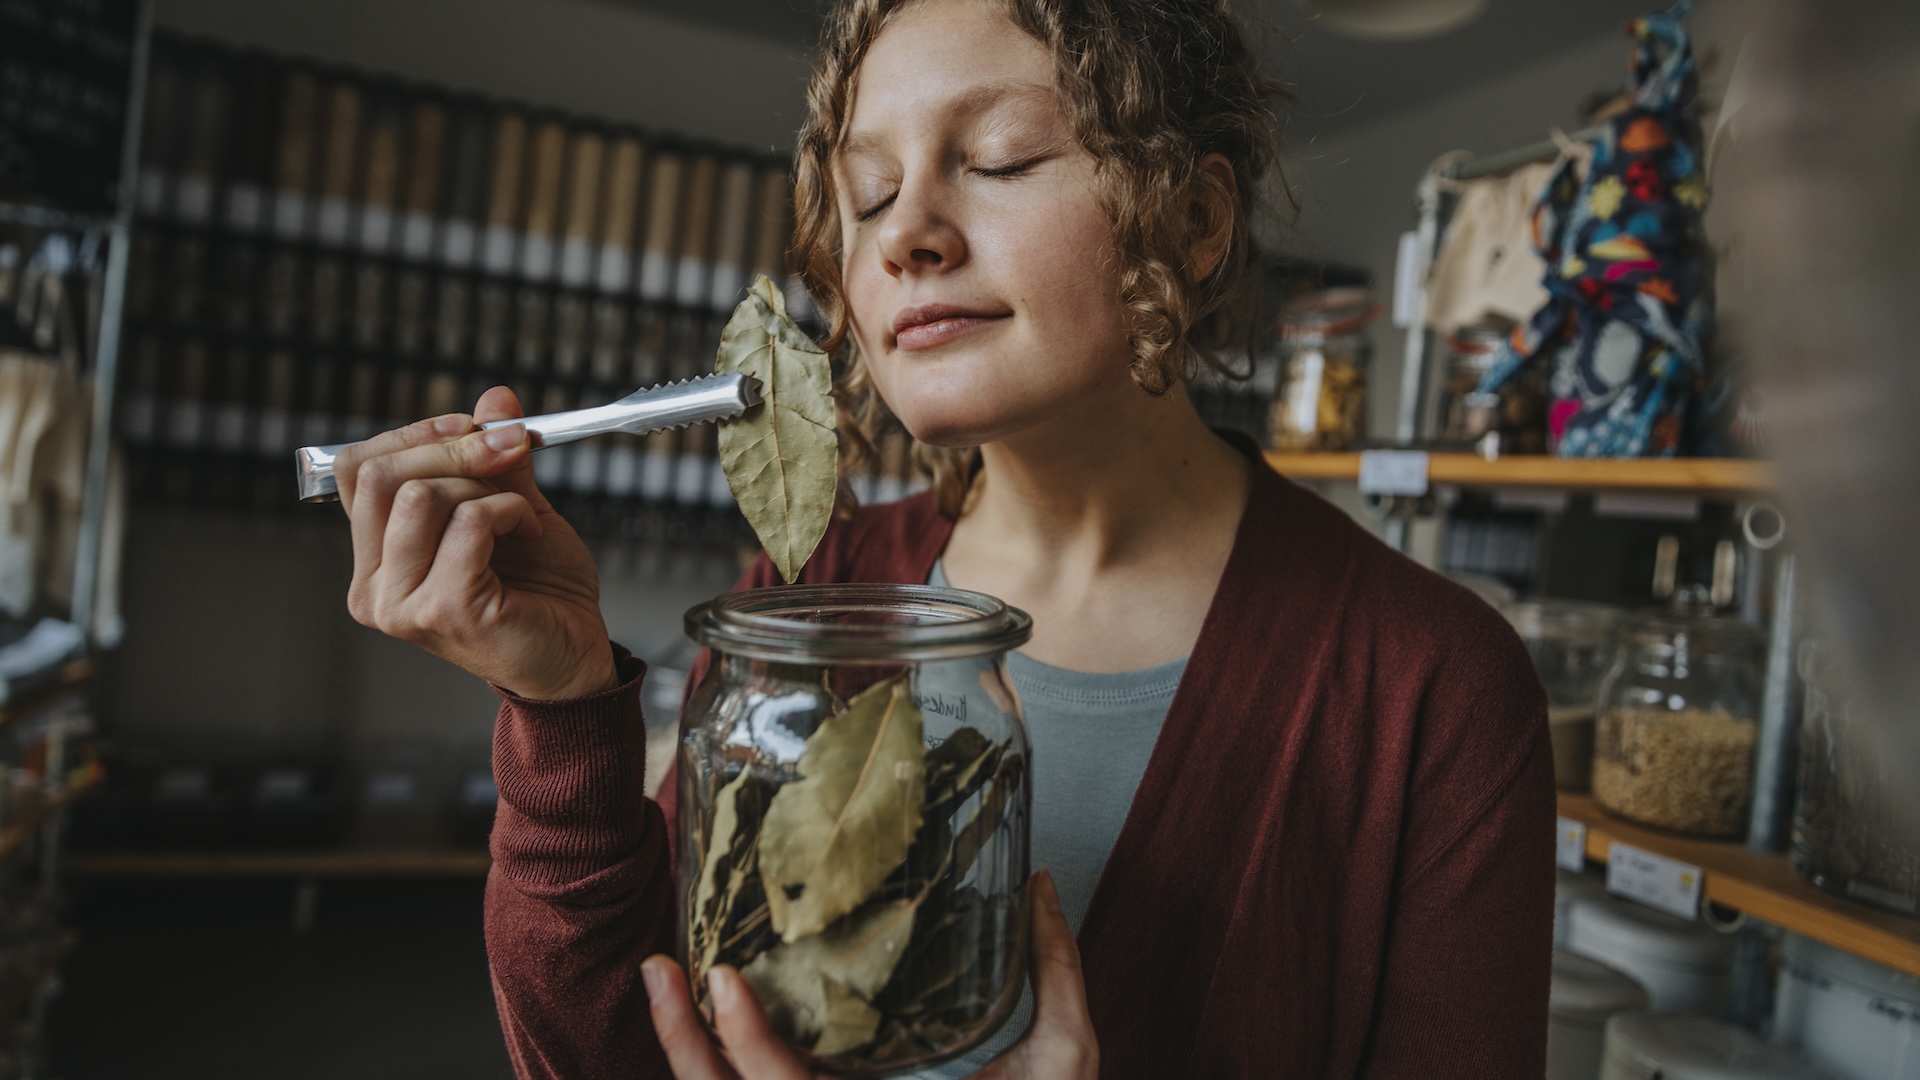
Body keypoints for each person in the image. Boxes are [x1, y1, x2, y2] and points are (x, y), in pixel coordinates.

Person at [332, 0, 1554, 1075]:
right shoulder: (809, 598)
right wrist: (560, 706)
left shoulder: (1432, 690)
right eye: (867, 195)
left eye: (1003, 159)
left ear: (1189, 221)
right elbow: (614, 1052)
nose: (904, 232)